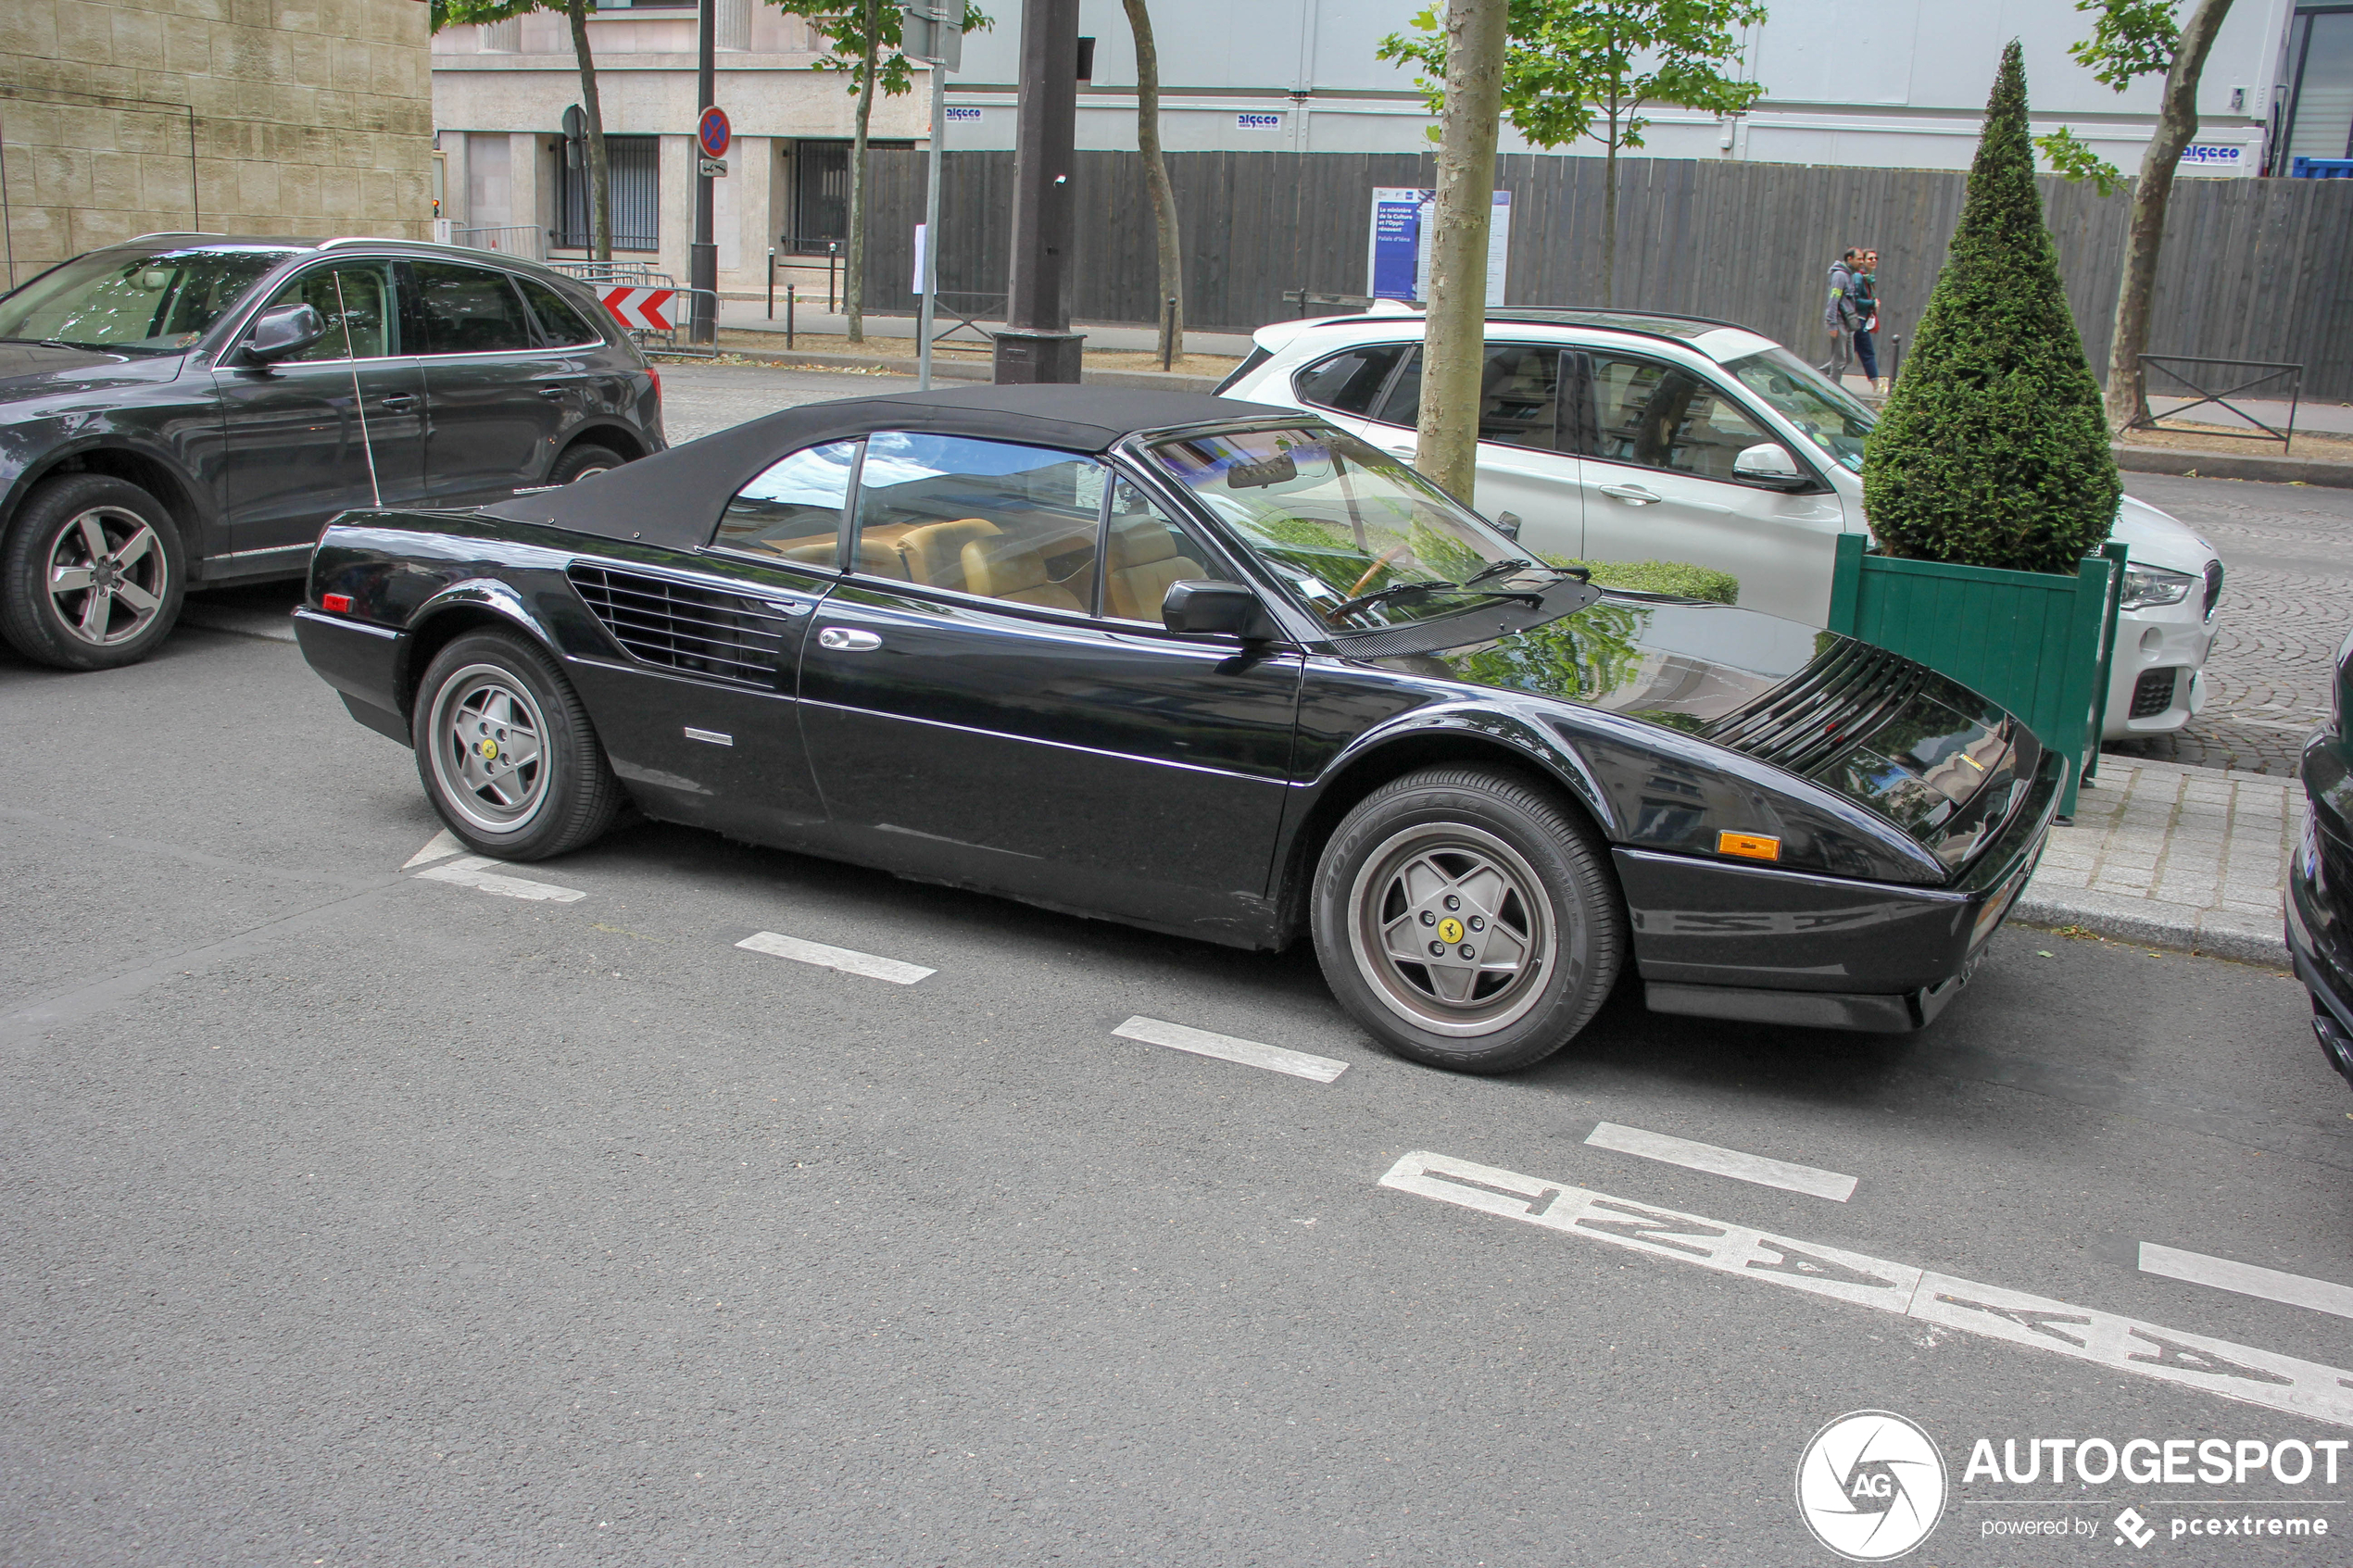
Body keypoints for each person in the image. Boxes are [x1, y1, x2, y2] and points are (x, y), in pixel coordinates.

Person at [1818, 248, 1863, 384]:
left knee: (1848, 358)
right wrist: (1832, 323)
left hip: (1847, 323)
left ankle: (1817, 374)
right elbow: (1833, 300)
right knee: (1839, 360)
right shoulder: (1840, 276)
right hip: (1838, 321)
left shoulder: (1850, 275)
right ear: (1850, 259)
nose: (1861, 262)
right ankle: (1833, 389)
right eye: (1859, 259)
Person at [1853, 248, 1882, 394]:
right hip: (1858, 320)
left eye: (1876, 258)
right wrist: (1872, 303)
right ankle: (1876, 386)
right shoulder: (1859, 278)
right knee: (1867, 352)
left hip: (1861, 320)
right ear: (1863, 261)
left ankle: (1823, 376)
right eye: (1870, 258)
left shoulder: (1868, 278)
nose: (1874, 261)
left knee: (1846, 356)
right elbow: (1854, 300)